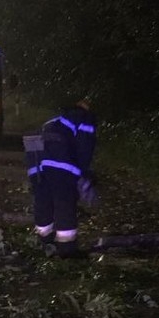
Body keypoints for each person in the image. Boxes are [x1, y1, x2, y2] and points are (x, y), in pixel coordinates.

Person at [26, 98, 97, 259]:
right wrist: (84, 173)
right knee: (64, 203)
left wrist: (33, 175)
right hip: (61, 166)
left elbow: (34, 142)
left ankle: (45, 241)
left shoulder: (55, 120)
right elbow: (85, 148)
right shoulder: (84, 119)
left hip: (38, 165)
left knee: (43, 201)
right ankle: (66, 249)